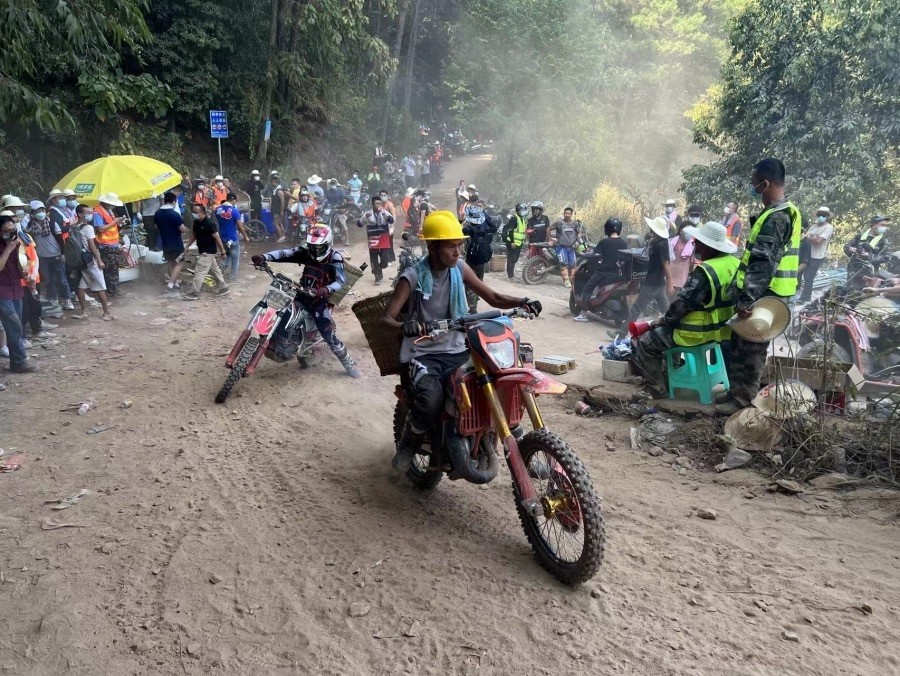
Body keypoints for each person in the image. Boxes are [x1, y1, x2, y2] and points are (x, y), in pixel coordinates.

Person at [382, 210, 542, 471]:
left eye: (459, 246)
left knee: (498, 381)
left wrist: (522, 301)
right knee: (431, 400)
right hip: (423, 355)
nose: (458, 252)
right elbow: (385, 321)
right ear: (433, 248)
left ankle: (524, 451)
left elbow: (493, 297)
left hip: (458, 347)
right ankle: (408, 446)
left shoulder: (459, 268)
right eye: (451, 247)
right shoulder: (411, 277)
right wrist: (406, 326)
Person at [717, 157, 801, 414]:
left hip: (765, 295)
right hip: (764, 292)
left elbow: (763, 263)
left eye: (755, 184)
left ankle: (741, 403)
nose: (753, 189)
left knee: (752, 348)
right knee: (740, 345)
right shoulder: (785, 212)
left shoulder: (777, 218)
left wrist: (747, 299)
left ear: (766, 183)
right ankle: (735, 393)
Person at [630, 222, 739, 394]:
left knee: (646, 341)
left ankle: (655, 388)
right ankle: (673, 375)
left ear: (710, 246)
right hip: (723, 330)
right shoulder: (735, 264)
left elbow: (680, 307)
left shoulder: (706, 271)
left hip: (697, 332)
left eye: (699, 242)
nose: (695, 244)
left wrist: (661, 320)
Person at [251, 226, 361, 378]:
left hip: (319, 299)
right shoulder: (306, 252)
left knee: (327, 332)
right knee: (281, 311)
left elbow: (340, 281)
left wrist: (326, 289)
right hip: (301, 293)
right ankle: (281, 339)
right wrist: (264, 257)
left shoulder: (335, 257)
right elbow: (285, 253)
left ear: (328, 244)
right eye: (312, 247)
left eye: (319, 247)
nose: (315, 251)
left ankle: (348, 363)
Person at [609, 216, 672, 336]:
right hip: (658, 283)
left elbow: (666, 265)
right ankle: (673, 332)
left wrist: (670, 283)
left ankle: (621, 334)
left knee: (637, 308)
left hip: (652, 283)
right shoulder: (658, 242)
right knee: (666, 310)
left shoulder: (661, 245)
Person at [0, 214, 36, 372]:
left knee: (17, 325)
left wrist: (27, 276)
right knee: (14, 327)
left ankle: (17, 362)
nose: (10, 232)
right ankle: (20, 362)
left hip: (16, 289)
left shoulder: (17, 243)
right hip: (3, 292)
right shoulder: (8, 245)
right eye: (6, 230)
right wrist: (8, 248)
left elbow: (22, 263)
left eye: (12, 229)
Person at [574, 218, 627, 322]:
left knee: (587, 289)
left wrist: (582, 254)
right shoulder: (623, 242)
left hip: (603, 273)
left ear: (607, 228)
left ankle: (584, 314)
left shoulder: (605, 241)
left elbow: (594, 254)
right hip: (617, 274)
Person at [69, 205, 114, 320]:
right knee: (100, 286)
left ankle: (84, 312)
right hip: (90, 261)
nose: (91, 214)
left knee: (81, 286)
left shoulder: (72, 227)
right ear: (80, 214)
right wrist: (99, 260)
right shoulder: (88, 228)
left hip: (79, 261)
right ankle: (106, 313)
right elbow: (92, 246)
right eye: (88, 212)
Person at [28, 200, 73, 311]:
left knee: (62, 279)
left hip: (56, 255)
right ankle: (53, 300)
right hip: (42, 257)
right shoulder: (30, 226)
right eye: (38, 211)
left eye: (42, 210)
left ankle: (67, 299)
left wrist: (62, 253)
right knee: (48, 281)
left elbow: (60, 239)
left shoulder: (52, 223)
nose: (41, 212)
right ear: (33, 213)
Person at [181, 204, 229, 300]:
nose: (194, 214)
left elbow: (217, 238)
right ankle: (224, 288)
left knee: (199, 271)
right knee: (215, 270)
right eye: (193, 212)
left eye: (195, 212)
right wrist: (187, 246)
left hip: (208, 252)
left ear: (202, 212)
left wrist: (223, 251)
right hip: (202, 250)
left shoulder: (209, 223)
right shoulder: (196, 222)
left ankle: (194, 293)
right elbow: (193, 235)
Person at [461, 195, 497, 312]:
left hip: (471, 258)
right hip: (482, 257)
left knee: (469, 281)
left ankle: (472, 307)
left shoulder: (469, 228)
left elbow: (459, 230)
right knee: (479, 279)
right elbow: (494, 228)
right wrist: (485, 215)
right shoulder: (485, 228)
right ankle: (475, 300)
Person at [93, 193, 127, 297]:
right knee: (109, 270)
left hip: (113, 244)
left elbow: (110, 225)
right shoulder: (97, 212)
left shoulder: (108, 210)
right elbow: (100, 228)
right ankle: (111, 291)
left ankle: (114, 289)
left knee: (114, 268)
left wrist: (119, 223)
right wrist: (115, 222)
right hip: (105, 245)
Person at [797, 206, 833, 302]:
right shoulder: (813, 226)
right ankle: (797, 294)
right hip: (805, 254)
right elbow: (805, 238)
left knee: (808, 277)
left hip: (816, 256)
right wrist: (812, 237)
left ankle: (805, 298)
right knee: (798, 274)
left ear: (827, 216)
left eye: (823, 215)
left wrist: (810, 237)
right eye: (819, 215)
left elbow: (818, 241)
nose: (821, 216)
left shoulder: (829, 228)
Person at [358, 196, 395, 285]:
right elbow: (359, 224)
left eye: (380, 203)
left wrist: (384, 213)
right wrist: (363, 218)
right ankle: (377, 277)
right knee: (373, 260)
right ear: (372, 204)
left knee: (385, 261)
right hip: (373, 240)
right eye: (376, 203)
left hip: (384, 238)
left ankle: (379, 269)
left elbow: (391, 220)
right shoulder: (367, 213)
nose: (378, 205)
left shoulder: (385, 212)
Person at [155, 191, 187, 293]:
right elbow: (183, 229)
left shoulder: (157, 213)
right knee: (179, 262)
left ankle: (175, 283)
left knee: (170, 262)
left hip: (165, 242)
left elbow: (156, 227)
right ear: (174, 201)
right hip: (176, 242)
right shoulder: (174, 214)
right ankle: (170, 284)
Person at [845, 215, 889, 285]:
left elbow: (886, 257)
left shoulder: (883, 241)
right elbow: (847, 246)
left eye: (886, 225)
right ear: (874, 225)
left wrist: (869, 256)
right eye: (882, 225)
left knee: (863, 293)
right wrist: (850, 249)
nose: (885, 228)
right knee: (848, 290)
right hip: (853, 269)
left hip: (870, 273)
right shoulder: (860, 236)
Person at [215, 192, 249, 282]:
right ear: (233, 200)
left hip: (222, 238)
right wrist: (246, 236)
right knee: (235, 259)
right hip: (232, 238)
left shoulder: (217, 209)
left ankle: (220, 273)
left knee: (227, 255)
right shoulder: (234, 211)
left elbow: (214, 223)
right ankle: (233, 277)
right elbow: (240, 226)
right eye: (235, 201)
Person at [548, 207, 584, 288]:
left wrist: (578, 240)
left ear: (571, 214)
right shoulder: (559, 222)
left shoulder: (575, 224)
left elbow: (579, 232)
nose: (567, 215)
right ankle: (566, 281)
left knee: (573, 264)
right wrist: (549, 240)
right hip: (561, 247)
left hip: (571, 247)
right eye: (565, 213)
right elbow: (548, 229)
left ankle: (572, 280)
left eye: (569, 213)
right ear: (563, 214)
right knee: (563, 263)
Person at [502, 203, 529, 279]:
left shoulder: (522, 219)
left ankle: (511, 274)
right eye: (522, 210)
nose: (524, 211)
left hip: (519, 243)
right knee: (511, 259)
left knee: (515, 259)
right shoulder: (514, 218)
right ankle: (510, 276)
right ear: (518, 211)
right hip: (513, 242)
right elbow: (510, 231)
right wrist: (512, 242)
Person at [669, 220, 695, 292]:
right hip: (668, 276)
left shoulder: (693, 247)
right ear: (681, 231)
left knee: (674, 299)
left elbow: (692, 266)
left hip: (681, 279)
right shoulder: (671, 243)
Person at [269, 171, 288, 243]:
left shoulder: (279, 191)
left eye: (273, 180)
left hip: (278, 211)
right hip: (276, 210)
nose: (272, 182)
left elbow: (283, 202)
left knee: (276, 223)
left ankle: (281, 236)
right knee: (280, 223)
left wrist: (281, 211)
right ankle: (283, 236)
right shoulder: (276, 190)